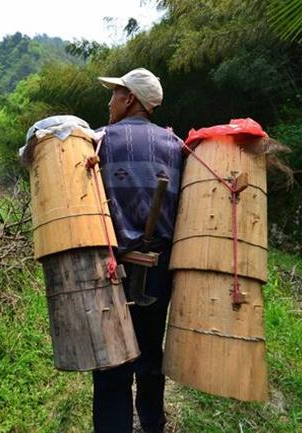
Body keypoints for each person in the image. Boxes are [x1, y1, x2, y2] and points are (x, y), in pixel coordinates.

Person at [92, 68, 183, 433]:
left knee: (112, 360)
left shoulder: (99, 141)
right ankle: (152, 422)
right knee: (149, 351)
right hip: (159, 269)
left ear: (130, 99)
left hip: (110, 268)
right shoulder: (177, 146)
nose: (109, 100)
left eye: (115, 93)